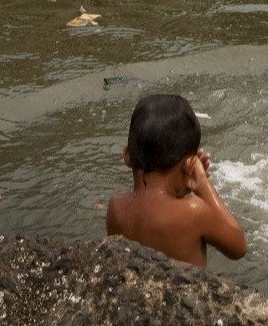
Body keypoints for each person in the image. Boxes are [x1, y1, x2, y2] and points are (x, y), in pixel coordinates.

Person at [106, 94, 248, 269]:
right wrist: (202, 183)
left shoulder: (116, 207)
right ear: (189, 165)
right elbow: (238, 247)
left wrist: (181, 189)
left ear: (127, 156)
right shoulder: (194, 212)